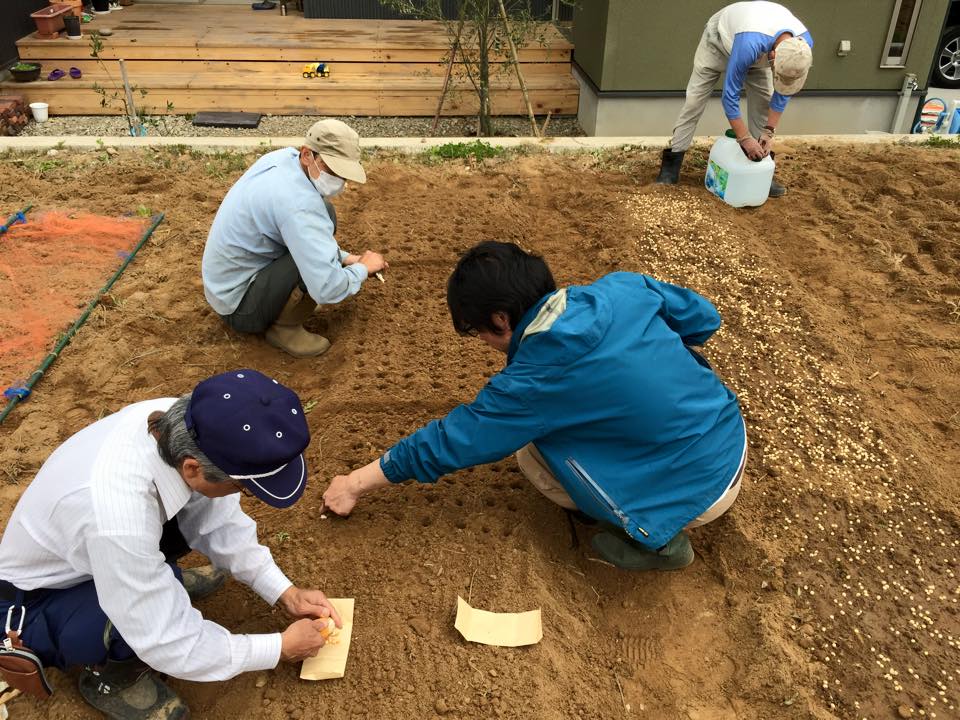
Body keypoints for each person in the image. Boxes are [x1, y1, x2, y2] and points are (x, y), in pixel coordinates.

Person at [322, 242, 747, 571]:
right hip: (731, 433)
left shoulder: (533, 381)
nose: (484, 344)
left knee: (534, 457)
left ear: (502, 319)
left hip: (699, 494)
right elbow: (704, 320)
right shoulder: (621, 287)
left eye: (477, 333)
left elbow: (452, 440)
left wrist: (354, 484)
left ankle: (658, 541)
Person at [0, 370, 341, 719]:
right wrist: (279, 648)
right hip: (34, 598)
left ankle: (155, 582)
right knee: (133, 619)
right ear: (193, 468)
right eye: (244, 487)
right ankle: (112, 676)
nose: (242, 495)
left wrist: (286, 591)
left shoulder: (188, 425)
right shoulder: (119, 517)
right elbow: (166, 639)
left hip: (93, 549)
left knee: (180, 526)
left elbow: (219, 520)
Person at [202, 119, 388, 358]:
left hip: (225, 285)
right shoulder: (298, 206)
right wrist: (362, 268)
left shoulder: (282, 160)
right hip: (240, 308)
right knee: (311, 252)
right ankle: (283, 327)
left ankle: (282, 302)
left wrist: (347, 258)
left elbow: (303, 231)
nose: (340, 180)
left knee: (325, 214)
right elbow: (328, 289)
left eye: (344, 173)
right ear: (307, 155)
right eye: (333, 170)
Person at [655, 1, 813, 197]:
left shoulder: (802, 47)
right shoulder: (749, 44)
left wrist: (769, 132)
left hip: (755, 49)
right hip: (719, 41)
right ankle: (672, 164)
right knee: (695, 100)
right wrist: (744, 138)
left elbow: (784, 88)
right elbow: (730, 95)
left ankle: (761, 169)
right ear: (773, 56)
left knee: (764, 102)